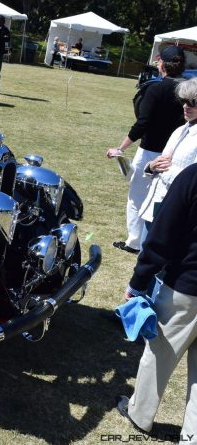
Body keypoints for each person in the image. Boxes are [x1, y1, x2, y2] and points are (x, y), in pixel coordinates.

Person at [116, 161, 197, 438]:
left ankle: (140, 415)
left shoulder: (193, 176)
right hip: (187, 284)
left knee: (158, 354)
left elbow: (163, 234)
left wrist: (138, 283)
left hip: (185, 288)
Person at [106, 45, 186, 254]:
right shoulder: (189, 89)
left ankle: (134, 242)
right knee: (167, 199)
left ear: (162, 65)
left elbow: (143, 123)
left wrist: (120, 148)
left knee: (137, 197)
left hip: (150, 151)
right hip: (177, 154)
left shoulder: (156, 89)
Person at [138, 79, 197, 233]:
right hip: (154, 207)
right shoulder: (179, 130)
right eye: (184, 101)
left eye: (192, 102)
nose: (185, 106)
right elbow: (160, 164)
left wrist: (166, 170)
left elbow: (192, 181)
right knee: (143, 255)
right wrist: (151, 167)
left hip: (175, 215)